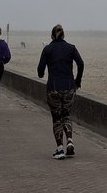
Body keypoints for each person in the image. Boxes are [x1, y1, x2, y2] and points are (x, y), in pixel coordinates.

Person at [36, 24, 84, 159]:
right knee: (66, 115)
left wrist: (42, 73)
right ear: (64, 35)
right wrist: (77, 80)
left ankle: (60, 149)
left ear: (52, 36)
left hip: (53, 88)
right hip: (69, 87)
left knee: (57, 118)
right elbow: (81, 63)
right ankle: (70, 140)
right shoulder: (71, 48)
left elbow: (40, 71)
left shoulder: (48, 49)